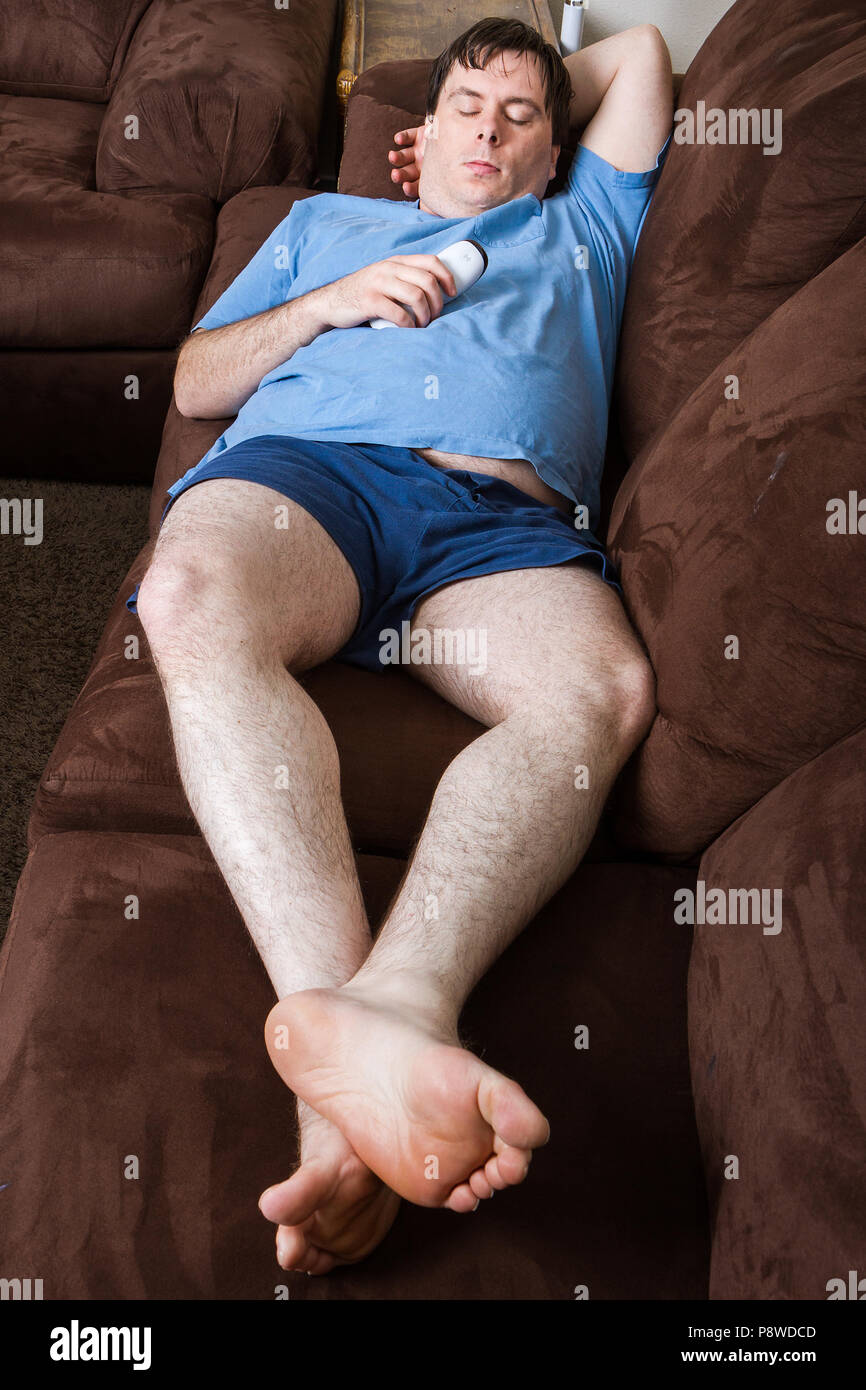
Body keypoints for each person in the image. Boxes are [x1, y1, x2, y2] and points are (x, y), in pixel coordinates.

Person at [127, 17, 673, 1275]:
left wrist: (498, 124)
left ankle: (396, 1005)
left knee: (601, 685)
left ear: (556, 150)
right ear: (411, 137)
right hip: (309, 481)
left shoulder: (577, 226)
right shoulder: (324, 224)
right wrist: (331, 303)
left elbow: (638, 51)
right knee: (192, 592)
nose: (487, 125)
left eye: (518, 115)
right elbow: (197, 381)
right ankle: (341, 1098)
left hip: (499, 528)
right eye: (463, 105)